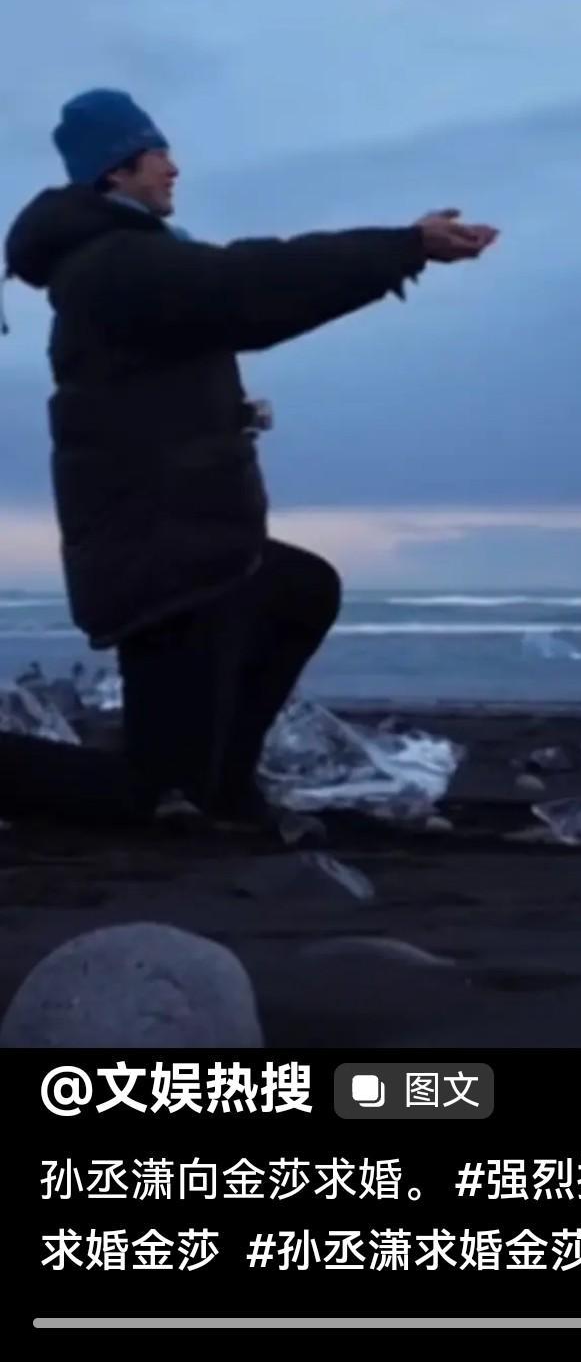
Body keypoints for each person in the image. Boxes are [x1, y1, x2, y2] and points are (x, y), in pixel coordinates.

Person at [2, 87, 498, 833]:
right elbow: (254, 284)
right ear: (116, 171)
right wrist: (404, 247)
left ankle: (227, 787)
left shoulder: (127, 262)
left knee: (297, 589)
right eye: (156, 154)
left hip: (190, 543)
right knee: (150, 796)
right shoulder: (115, 266)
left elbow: (234, 301)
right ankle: (200, 791)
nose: (173, 167)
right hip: (162, 561)